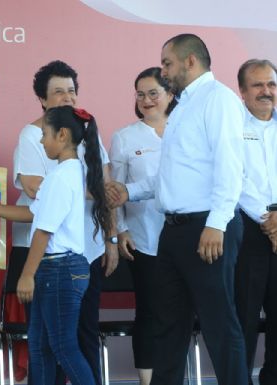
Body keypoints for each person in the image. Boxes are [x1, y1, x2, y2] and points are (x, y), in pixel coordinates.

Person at [106, 33, 247, 385]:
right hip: (173, 231)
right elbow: (170, 176)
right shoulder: (182, 106)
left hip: (206, 228)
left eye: (167, 63)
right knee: (169, 325)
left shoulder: (219, 100)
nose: (164, 70)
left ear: (190, 61)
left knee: (218, 324)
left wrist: (216, 224)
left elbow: (230, 166)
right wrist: (129, 191)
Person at [0, 105, 110, 385]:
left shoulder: (60, 177)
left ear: (62, 135)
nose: (41, 141)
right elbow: (34, 214)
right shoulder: (68, 173)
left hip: (58, 270)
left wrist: (27, 274)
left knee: (63, 347)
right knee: (39, 346)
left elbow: (42, 231)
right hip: (57, 270)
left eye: (45, 134)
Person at [10, 60, 117, 384]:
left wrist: (111, 238)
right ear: (42, 99)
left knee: (69, 342)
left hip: (71, 258)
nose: (68, 97)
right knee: (45, 344)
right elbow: (34, 192)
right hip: (56, 260)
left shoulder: (66, 168)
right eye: (59, 92)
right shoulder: (39, 144)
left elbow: (106, 191)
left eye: (72, 91)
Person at [109, 67, 176, 385]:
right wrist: (120, 230)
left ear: (169, 95)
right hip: (143, 239)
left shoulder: (184, 130)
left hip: (185, 237)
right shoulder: (124, 137)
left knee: (179, 314)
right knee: (150, 312)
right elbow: (115, 190)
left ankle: (174, 375)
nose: (147, 100)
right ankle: (148, 381)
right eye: (140, 94)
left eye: (153, 93)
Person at [234, 58, 277, 385]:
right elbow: (236, 180)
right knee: (244, 318)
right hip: (247, 231)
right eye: (258, 85)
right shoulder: (232, 126)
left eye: (272, 84)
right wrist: (269, 220)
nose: (267, 91)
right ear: (243, 92)